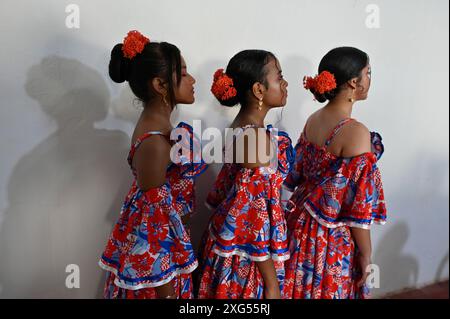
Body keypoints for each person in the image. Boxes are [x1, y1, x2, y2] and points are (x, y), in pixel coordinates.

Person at [99, 30, 207, 299]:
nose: (192, 79)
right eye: (182, 73)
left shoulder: (161, 132)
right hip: (158, 277)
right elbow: (151, 232)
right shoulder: (155, 144)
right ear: (160, 84)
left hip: (169, 261)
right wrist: (168, 294)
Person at [282, 47, 387, 299]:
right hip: (329, 236)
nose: (369, 79)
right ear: (353, 82)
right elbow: (357, 208)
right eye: (367, 72)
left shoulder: (314, 118)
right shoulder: (356, 133)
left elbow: (295, 175)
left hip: (297, 224)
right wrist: (366, 254)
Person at [197, 50, 293, 299]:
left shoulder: (244, 127)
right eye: (279, 76)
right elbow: (253, 219)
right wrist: (271, 284)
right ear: (259, 90)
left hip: (236, 248)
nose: (285, 83)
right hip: (247, 258)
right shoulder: (256, 139)